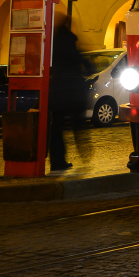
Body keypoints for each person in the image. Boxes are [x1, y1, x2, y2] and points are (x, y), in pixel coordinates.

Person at [48, 11, 92, 172]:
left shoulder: (52, 42)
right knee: (77, 123)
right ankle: (84, 150)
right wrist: (87, 67)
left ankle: (57, 160)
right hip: (71, 90)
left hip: (57, 90)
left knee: (57, 127)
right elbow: (79, 59)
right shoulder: (69, 40)